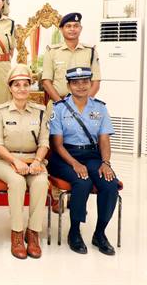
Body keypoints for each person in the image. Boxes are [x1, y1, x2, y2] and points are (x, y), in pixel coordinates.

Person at [49, 67, 119, 256]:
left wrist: (106, 163)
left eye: (85, 82)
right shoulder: (59, 108)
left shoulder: (100, 108)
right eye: (75, 83)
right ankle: (74, 232)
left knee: (110, 184)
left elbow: (104, 139)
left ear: (90, 83)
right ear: (69, 86)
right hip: (65, 156)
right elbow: (57, 145)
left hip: (91, 155)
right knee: (82, 181)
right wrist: (74, 163)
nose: (81, 86)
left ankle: (100, 233)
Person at [42, 12, 102, 213]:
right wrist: (63, 105)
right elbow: (46, 81)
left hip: (84, 107)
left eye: (76, 26)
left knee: (77, 145)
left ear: (80, 29)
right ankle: (56, 194)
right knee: (54, 147)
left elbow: (96, 81)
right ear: (61, 29)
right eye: (68, 26)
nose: (72, 29)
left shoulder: (90, 52)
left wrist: (83, 104)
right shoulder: (52, 52)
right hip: (58, 105)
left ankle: (78, 195)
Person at [0, 64, 49, 259]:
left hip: (33, 159)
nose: (22, 89)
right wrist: (15, 161)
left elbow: (44, 142)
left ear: (30, 86)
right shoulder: (0, 112)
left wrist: (37, 161)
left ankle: (33, 233)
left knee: (41, 182)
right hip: (4, 160)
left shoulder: (40, 112)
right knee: (17, 181)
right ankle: (17, 233)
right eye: (17, 85)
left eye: (26, 84)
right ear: (10, 87)